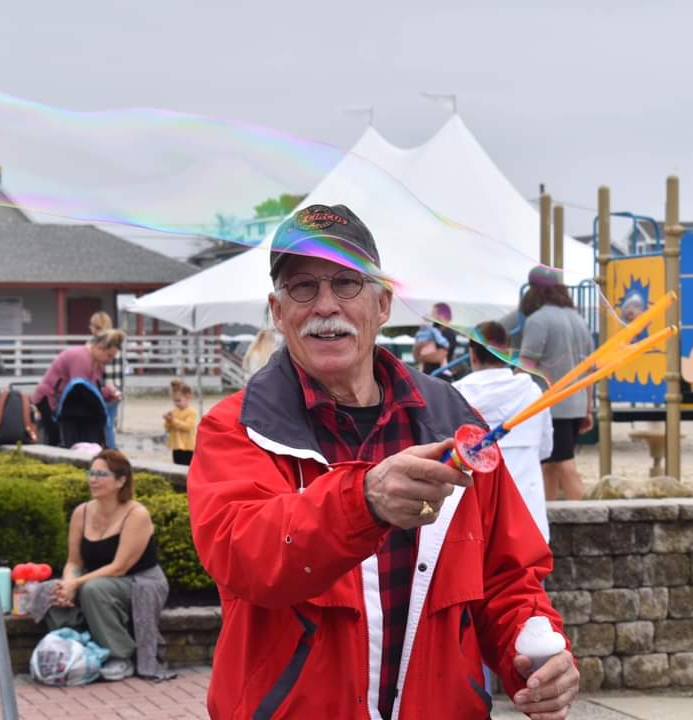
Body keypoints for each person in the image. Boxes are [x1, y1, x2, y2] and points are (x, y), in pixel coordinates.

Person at [188, 203, 578, 720]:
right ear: (278, 313)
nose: (326, 305)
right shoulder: (235, 428)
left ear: (383, 304)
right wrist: (364, 500)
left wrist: (529, 655)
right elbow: (247, 555)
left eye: (347, 283)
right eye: (302, 287)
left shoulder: (456, 423)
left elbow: (508, 578)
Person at [46, 449, 170, 681]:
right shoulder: (80, 513)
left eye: (101, 474)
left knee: (94, 590)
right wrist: (66, 584)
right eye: (91, 473)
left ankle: (120, 656)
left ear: (121, 480)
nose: (93, 479)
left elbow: (119, 567)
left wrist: (76, 583)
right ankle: (80, 647)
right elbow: (74, 561)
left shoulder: (137, 514)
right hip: (97, 578)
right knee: (49, 592)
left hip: (139, 581)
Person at [454, 321, 552, 541]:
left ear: (472, 355)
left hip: (475, 528)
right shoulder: (533, 393)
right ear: (508, 353)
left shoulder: (454, 396)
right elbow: (546, 450)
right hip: (529, 521)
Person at [518, 266, 596, 502]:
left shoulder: (538, 320)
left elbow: (526, 362)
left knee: (564, 464)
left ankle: (588, 519)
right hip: (577, 400)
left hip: (551, 404)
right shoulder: (578, 319)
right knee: (549, 465)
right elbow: (590, 367)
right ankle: (550, 517)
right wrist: (588, 407)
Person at [32, 330, 124, 447]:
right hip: (49, 399)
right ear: (99, 347)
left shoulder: (97, 363)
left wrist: (111, 393)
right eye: (109, 355)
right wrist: (106, 393)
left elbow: (94, 389)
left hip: (65, 402)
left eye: (113, 357)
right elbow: (80, 389)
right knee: (53, 439)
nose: (110, 360)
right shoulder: (81, 357)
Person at [88, 311, 123, 448]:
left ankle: (108, 450)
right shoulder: (117, 345)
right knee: (109, 425)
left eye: (92, 326)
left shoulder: (95, 345)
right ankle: (111, 450)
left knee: (102, 425)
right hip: (116, 390)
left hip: (102, 392)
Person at [413, 302, 459, 379]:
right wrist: (418, 348)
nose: (431, 316)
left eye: (433, 313)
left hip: (440, 378)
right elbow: (415, 354)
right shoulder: (431, 330)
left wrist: (420, 356)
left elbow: (440, 357)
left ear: (442, 315)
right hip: (426, 376)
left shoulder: (449, 333)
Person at [163, 379, 198, 466]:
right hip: (176, 445)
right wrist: (168, 421)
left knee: (187, 468)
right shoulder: (175, 411)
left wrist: (173, 421)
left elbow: (188, 427)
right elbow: (168, 428)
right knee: (176, 466)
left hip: (188, 446)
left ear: (188, 397)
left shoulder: (191, 412)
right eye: (174, 401)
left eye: (178, 400)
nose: (176, 403)